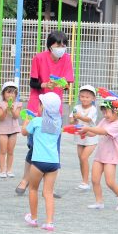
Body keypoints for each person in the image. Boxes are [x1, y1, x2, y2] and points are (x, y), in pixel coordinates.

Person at [17, 31, 74, 196]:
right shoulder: (39, 58)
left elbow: (68, 83)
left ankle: (49, 186)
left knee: (52, 146)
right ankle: (25, 179)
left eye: (64, 45)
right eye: (58, 45)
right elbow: (32, 82)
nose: (61, 48)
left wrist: (64, 85)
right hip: (38, 106)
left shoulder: (67, 59)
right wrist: (45, 85)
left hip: (55, 108)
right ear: (50, 45)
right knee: (34, 144)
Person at [21, 92, 62, 231]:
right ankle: (49, 222)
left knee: (33, 189)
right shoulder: (58, 123)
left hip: (38, 162)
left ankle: (33, 218)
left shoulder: (37, 122)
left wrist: (27, 121)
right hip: (54, 163)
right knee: (48, 193)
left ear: (43, 107)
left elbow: (24, 132)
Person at [78, 97, 118, 211]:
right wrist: (85, 132)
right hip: (100, 154)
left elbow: (103, 131)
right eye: (103, 111)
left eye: (107, 111)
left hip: (111, 156)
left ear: (116, 111)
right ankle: (99, 202)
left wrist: (87, 128)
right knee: (95, 180)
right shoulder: (105, 121)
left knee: (110, 182)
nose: (105, 114)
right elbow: (95, 131)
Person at [68, 85, 98, 190]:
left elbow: (88, 119)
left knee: (84, 157)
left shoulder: (93, 109)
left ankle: (85, 182)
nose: (84, 99)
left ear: (93, 98)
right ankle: (84, 180)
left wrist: (79, 116)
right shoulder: (76, 108)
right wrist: (74, 120)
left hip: (91, 137)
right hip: (79, 137)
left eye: (87, 97)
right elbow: (71, 121)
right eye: (82, 96)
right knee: (81, 159)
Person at [0, 82, 22, 178]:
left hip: (13, 130)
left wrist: (12, 110)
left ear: (16, 94)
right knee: (3, 151)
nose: (10, 95)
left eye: (13, 93)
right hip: (3, 130)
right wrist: (6, 110)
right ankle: (2, 170)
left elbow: (16, 116)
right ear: (3, 94)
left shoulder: (18, 104)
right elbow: (1, 118)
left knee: (11, 151)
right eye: (8, 92)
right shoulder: (0, 104)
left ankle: (9, 170)